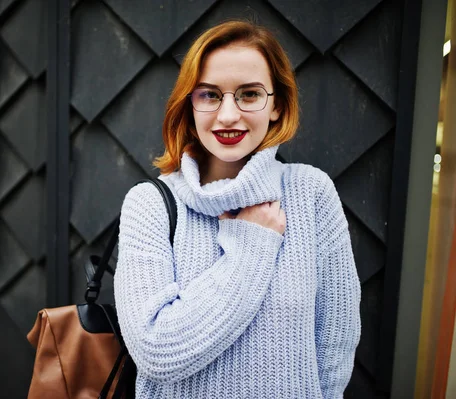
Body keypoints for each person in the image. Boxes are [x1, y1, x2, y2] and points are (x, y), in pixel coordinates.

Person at [113, 20, 361, 399]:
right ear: (189, 105)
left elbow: (334, 345)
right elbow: (156, 350)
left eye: (249, 94)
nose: (228, 116)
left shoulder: (311, 194)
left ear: (276, 105)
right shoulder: (150, 205)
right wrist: (251, 249)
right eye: (210, 95)